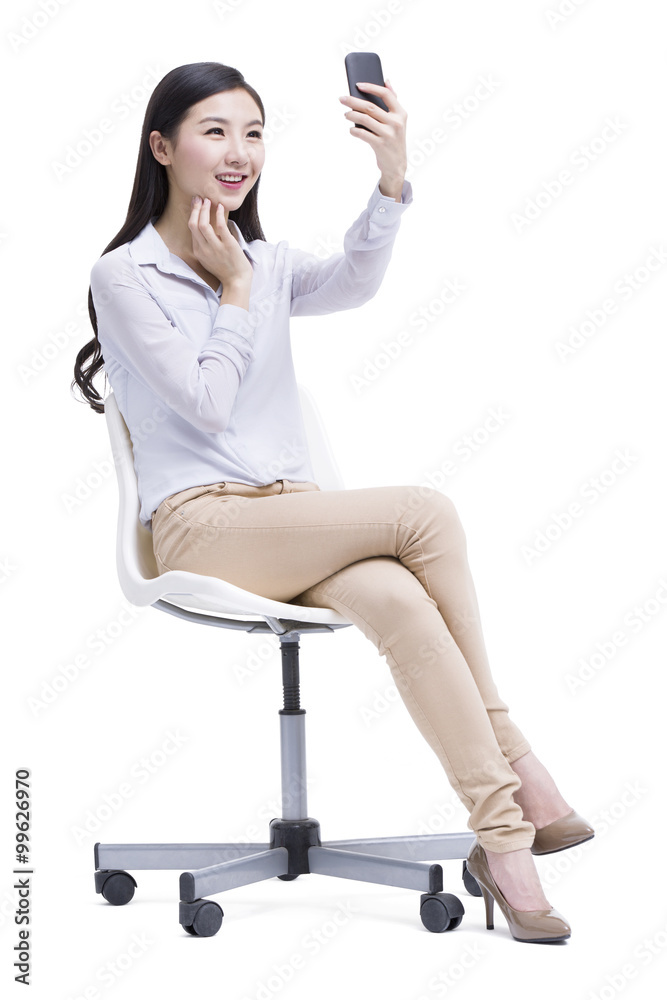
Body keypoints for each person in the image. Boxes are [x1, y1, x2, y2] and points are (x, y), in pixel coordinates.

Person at [72, 61, 593, 943]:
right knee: (422, 512)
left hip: (289, 519)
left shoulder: (265, 261)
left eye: (254, 131)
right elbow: (205, 401)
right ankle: (521, 764)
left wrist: (390, 179)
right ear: (161, 147)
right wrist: (233, 291)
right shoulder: (125, 276)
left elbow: (354, 281)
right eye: (214, 131)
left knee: (398, 597)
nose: (239, 152)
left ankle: (502, 845)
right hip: (202, 528)